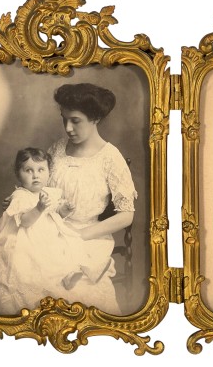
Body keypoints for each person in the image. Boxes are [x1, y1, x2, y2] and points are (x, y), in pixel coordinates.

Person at [0, 147, 114, 315]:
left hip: (48, 233)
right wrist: (38, 208)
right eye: (28, 170)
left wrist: (64, 210)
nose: (35, 175)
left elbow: (56, 213)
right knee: (43, 257)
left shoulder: (48, 193)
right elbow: (25, 221)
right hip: (28, 238)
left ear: (48, 172)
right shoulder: (20, 196)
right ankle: (64, 275)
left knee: (70, 244)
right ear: (18, 174)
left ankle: (81, 270)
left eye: (40, 170)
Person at [45, 83, 137, 314]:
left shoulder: (110, 157)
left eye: (75, 121)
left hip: (87, 237)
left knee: (74, 287)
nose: (68, 128)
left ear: (95, 118)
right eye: (64, 119)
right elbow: (39, 190)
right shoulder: (57, 149)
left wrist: (78, 235)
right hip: (49, 230)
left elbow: (126, 215)